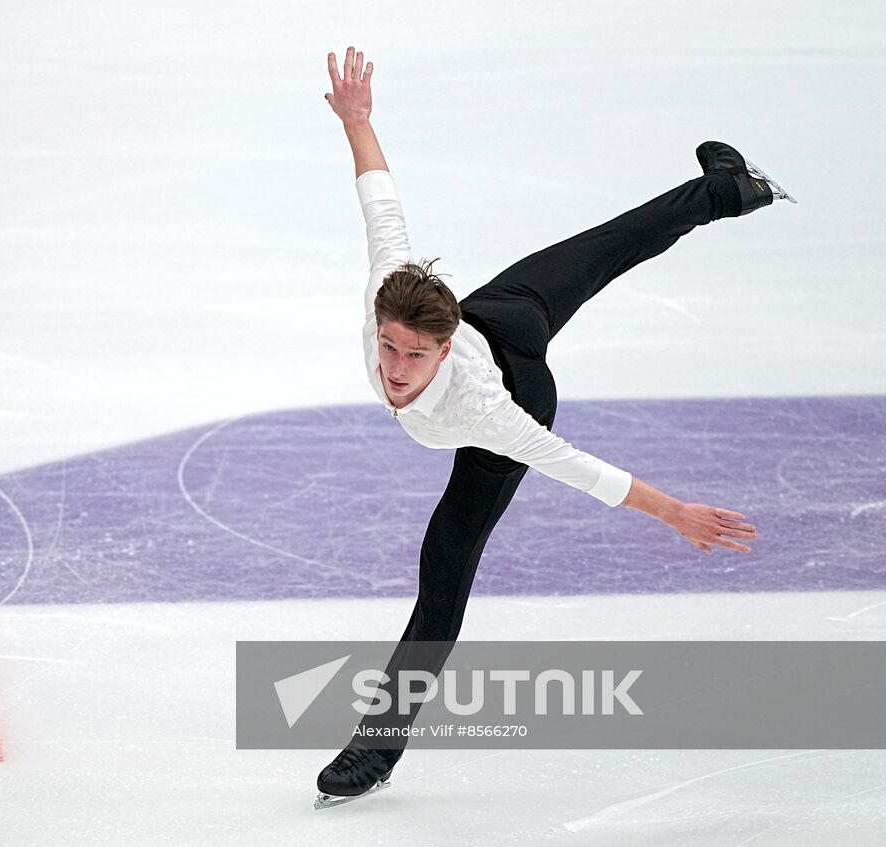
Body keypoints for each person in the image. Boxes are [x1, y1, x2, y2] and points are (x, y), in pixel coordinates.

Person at [313, 46, 793, 808]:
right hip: (492, 316)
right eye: (390, 347)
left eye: (414, 354)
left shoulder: (488, 412)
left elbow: (577, 467)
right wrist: (360, 123)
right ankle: (731, 190)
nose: (396, 368)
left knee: (443, 576)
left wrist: (676, 513)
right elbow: (382, 205)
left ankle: (375, 751)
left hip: (515, 379)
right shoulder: (392, 296)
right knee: (596, 252)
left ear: (443, 346)